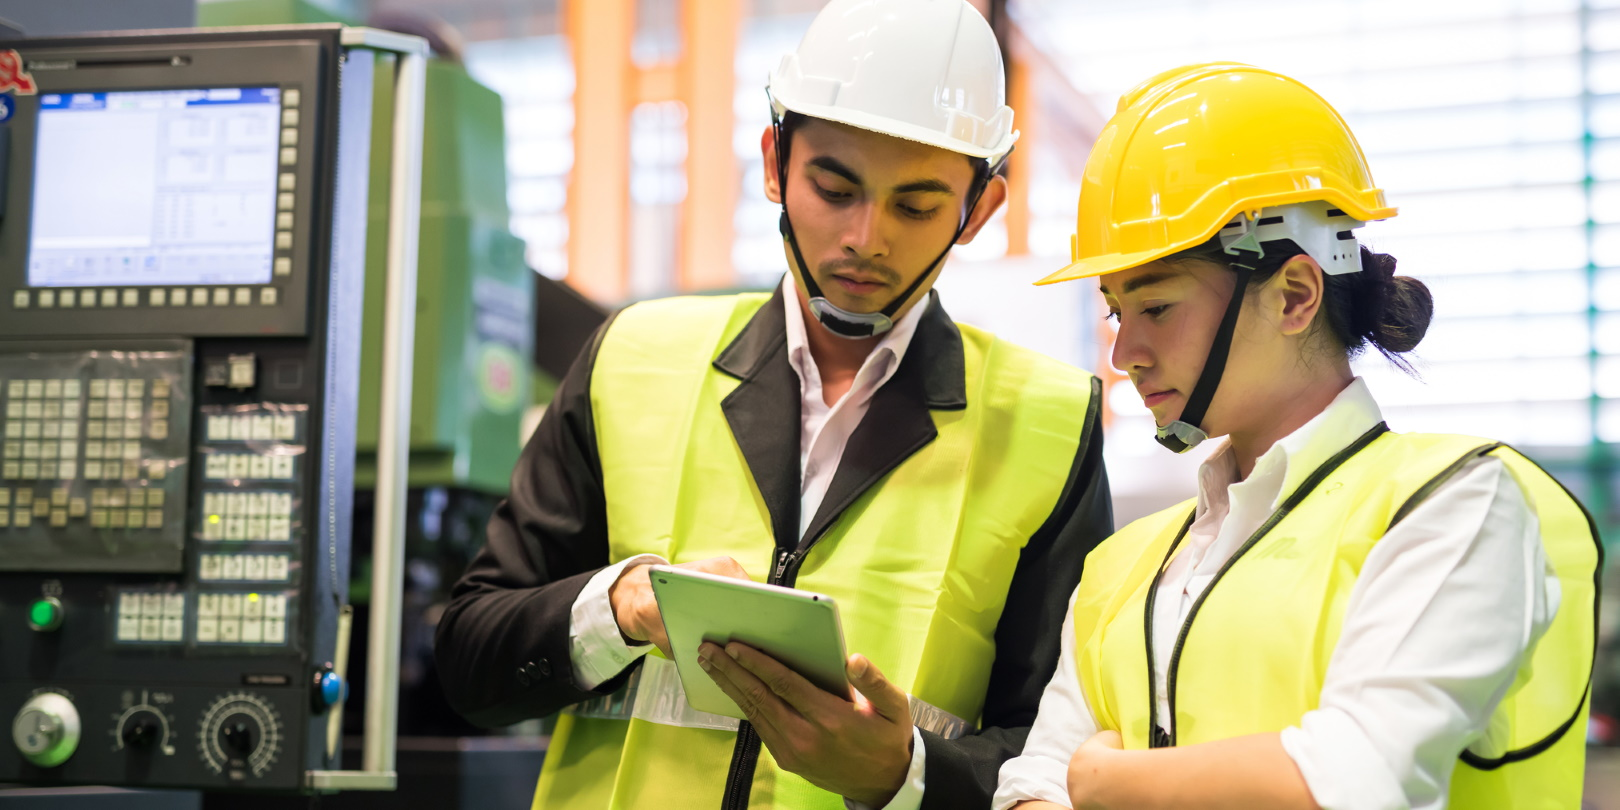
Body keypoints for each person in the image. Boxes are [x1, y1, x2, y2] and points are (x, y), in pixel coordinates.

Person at [433, 2, 1114, 808]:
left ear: (982, 210)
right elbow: (471, 664)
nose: (867, 237)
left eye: (917, 205)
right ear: (773, 163)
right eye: (835, 186)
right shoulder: (633, 359)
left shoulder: (1048, 422)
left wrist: (907, 775)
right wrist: (615, 607)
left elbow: (1055, 754)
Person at [992, 62, 1600, 810]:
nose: (1124, 355)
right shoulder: (1120, 569)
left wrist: (1106, 782)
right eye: (1118, 313)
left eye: (1157, 309)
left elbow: (1354, 782)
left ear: (1295, 295)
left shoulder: (1453, 505)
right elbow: (1029, 788)